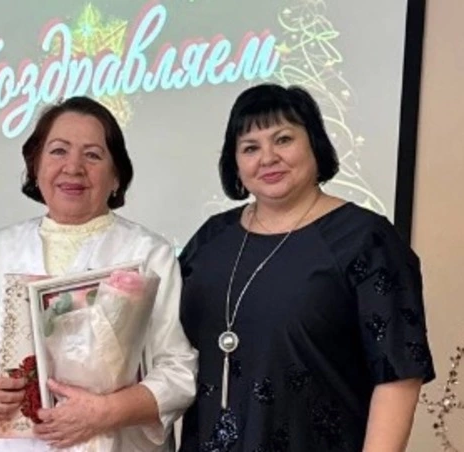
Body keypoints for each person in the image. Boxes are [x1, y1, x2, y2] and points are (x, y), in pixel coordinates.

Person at [178, 83, 435, 451]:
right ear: (235, 163)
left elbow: (399, 373)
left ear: (314, 142)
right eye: (250, 147)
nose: (267, 158)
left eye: (283, 140)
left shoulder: (365, 239)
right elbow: (166, 348)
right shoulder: (211, 239)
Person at [0, 96, 197, 451]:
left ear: (116, 175)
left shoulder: (148, 253)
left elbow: (178, 370)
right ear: (35, 165)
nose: (74, 167)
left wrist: (107, 412)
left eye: (93, 155)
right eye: (58, 151)